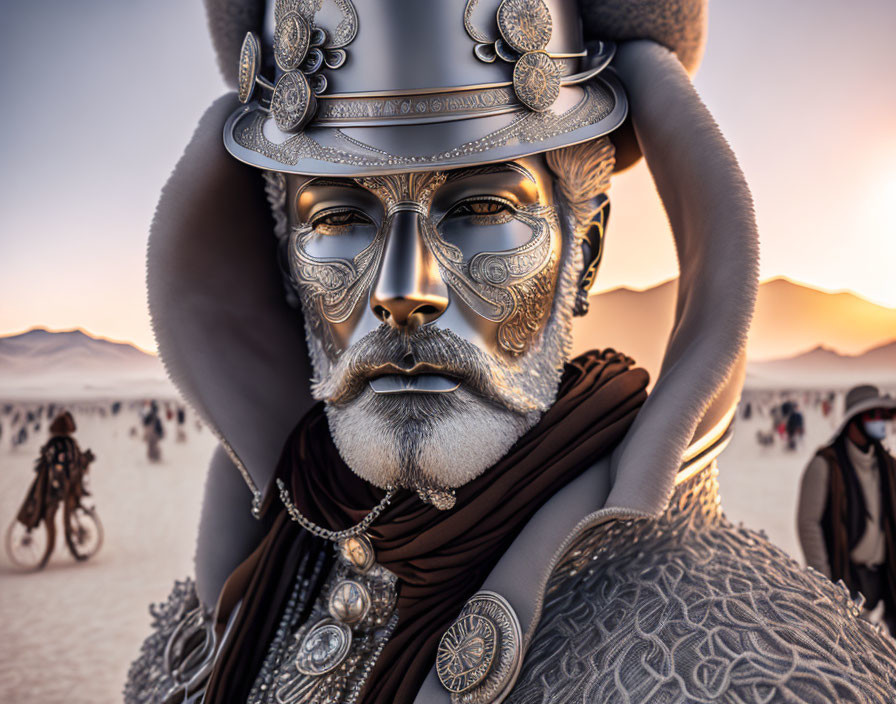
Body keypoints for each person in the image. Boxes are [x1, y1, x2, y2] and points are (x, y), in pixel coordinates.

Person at [125, 1, 896, 702]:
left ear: (583, 253)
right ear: (285, 265)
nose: (404, 290)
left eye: (482, 207)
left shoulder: (752, 665)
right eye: (338, 220)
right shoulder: (225, 615)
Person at [798, 384, 896, 633]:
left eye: (883, 416)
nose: (881, 422)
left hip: (883, 577)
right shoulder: (825, 465)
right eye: (873, 416)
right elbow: (809, 524)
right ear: (854, 420)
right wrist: (825, 582)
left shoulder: (888, 466)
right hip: (845, 575)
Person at [14, 411, 95, 569]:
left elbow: (47, 466)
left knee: (51, 520)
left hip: (54, 490)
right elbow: (77, 463)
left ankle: (48, 555)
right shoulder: (71, 443)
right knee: (64, 518)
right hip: (68, 488)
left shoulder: (53, 444)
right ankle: (71, 551)